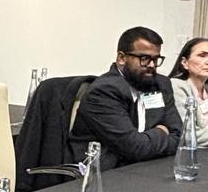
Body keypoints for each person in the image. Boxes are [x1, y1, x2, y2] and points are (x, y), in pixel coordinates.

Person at [69, 26, 183, 170]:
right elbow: (135, 147)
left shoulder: (161, 84)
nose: (152, 65)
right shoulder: (103, 91)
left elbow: (180, 137)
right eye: (144, 58)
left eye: (156, 59)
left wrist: (147, 142)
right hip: (107, 172)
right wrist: (161, 132)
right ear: (122, 58)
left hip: (149, 165)